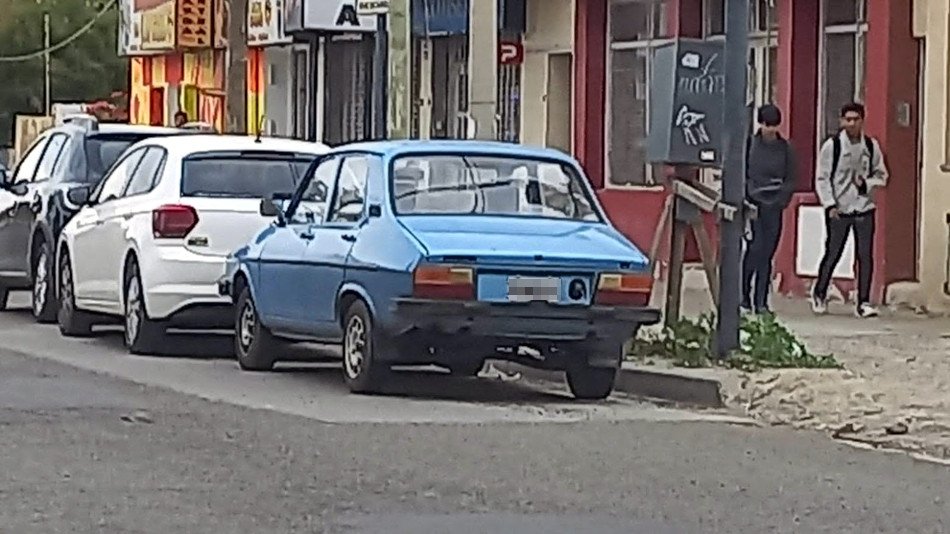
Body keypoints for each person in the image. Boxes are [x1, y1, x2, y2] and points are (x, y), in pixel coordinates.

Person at [812, 102, 889, 318]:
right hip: (840, 208)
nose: (852, 123)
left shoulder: (871, 147)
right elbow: (822, 178)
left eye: (856, 119)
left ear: (862, 121)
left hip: (864, 207)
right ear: (842, 121)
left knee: (865, 256)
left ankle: (863, 301)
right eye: (848, 119)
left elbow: (882, 176)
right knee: (833, 252)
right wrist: (829, 204)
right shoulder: (833, 146)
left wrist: (867, 184)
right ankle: (820, 292)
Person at [741, 104, 796, 314]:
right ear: (760, 124)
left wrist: (781, 200)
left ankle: (761, 301)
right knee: (754, 250)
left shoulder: (786, 149)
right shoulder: (749, 146)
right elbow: (742, 175)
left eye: (774, 126)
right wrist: (748, 197)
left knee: (767, 255)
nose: (770, 130)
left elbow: (791, 178)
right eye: (766, 125)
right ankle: (743, 296)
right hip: (753, 205)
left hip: (775, 206)